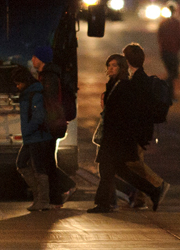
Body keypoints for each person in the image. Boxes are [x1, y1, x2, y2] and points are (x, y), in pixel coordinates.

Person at [88, 54, 170, 214]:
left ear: (122, 68)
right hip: (112, 137)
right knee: (120, 171)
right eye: (109, 65)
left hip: (117, 138)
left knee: (106, 169)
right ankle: (153, 191)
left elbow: (125, 114)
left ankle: (103, 204)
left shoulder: (124, 86)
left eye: (114, 65)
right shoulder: (113, 84)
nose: (110, 68)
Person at [119, 43, 170, 209]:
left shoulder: (137, 82)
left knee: (133, 162)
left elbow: (136, 109)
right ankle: (139, 199)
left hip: (137, 130)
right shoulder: (140, 79)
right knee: (134, 161)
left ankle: (158, 184)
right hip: (140, 129)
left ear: (127, 61)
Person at [30, 45, 76, 208]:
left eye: (34, 57)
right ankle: (56, 195)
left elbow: (49, 102)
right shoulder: (48, 75)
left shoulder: (48, 77)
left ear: (41, 59)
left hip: (50, 124)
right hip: (53, 123)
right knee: (48, 160)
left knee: (46, 160)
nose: (32, 60)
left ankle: (65, 186)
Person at [13, 66, 54, 211]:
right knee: (22, 163)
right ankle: (39, 198)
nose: (17, 86)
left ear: (25, 81)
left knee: (38, 168)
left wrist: (28, 131)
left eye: (19, 83)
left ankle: (43, 200)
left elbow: (39, 116)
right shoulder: (27, 93)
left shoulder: (35, 93)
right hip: (32, 137)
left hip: (38, 136)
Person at [157, 1, 180, 100]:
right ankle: (168, 93)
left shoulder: (163, 23)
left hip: (165, 51)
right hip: (172, 51)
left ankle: (168, 93)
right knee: (173, 74)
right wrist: (176, 48)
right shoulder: (176, 23)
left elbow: (159, 38)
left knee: (171, 73)